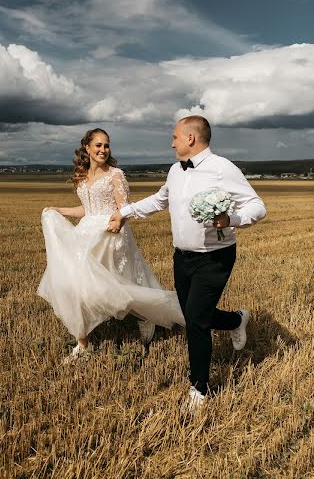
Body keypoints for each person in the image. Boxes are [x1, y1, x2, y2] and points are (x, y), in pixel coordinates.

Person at [108, 116, 267, 409]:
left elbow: (257, 206)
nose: (172, 143)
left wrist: (230, 219)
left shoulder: (223, 168)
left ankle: (199, 389)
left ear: (190, 138)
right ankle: (235, 320)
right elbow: (159, 200)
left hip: (215, 258)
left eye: (175, 137)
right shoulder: (174, 170)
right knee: (194, 313)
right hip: (181, 257)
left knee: (195, 321)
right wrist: (125, 212)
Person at [37, 128, 184, 362]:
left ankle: (145, 315)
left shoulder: (115, 175)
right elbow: (86, 209)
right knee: (76, 284)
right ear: (87, 147)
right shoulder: (83, 177)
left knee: (120, 283)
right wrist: (58, 210)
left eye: (106, 145)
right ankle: (82, 343)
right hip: (86, 232)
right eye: (98, 145)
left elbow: (123, 208)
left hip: (111, 234)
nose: (103, 150)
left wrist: (117, 224)